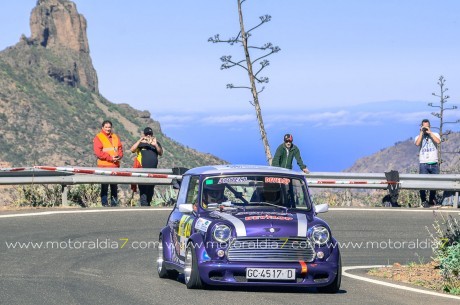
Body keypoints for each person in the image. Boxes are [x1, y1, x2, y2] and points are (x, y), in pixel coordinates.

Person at [93, 120, 123, 207]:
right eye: (106, 127)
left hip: (115, 166)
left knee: (114, 186)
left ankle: (114, 204)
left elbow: (120, 149)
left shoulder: (115, 137)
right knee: (104, 186)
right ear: (102, 128)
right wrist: (110, 158)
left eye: (109, 127)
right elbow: (98, 153)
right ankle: (104, 203)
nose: (108, 129)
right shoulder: (98, 137)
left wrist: (119, 156)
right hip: (104, 166)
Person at [130, 127, 163, 206]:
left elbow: (161, 153)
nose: (148, 135)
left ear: (152, 135)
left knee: (150, 191)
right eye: (147, 134)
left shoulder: (156, 143)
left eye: (150, 134)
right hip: (142, 171)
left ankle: (147, 205)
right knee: (143, 190)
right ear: (144, 134)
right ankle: (144, 205)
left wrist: (155, 145)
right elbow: (132, 149)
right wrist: (139, 141)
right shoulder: (141, 144)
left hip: (153, 172)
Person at [414, 119, 441, 208]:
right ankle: (424, 201)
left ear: (430, 126)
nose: (426, 128)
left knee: (434, 184)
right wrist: (422, 133)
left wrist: (430, 133)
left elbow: (438, 141)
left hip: (434, 162)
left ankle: (431, 201)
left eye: (427, 126)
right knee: (422, 184)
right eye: (424, 127)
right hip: (423, 163)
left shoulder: (435, 134)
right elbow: (417, 143)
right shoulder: (418, 136)